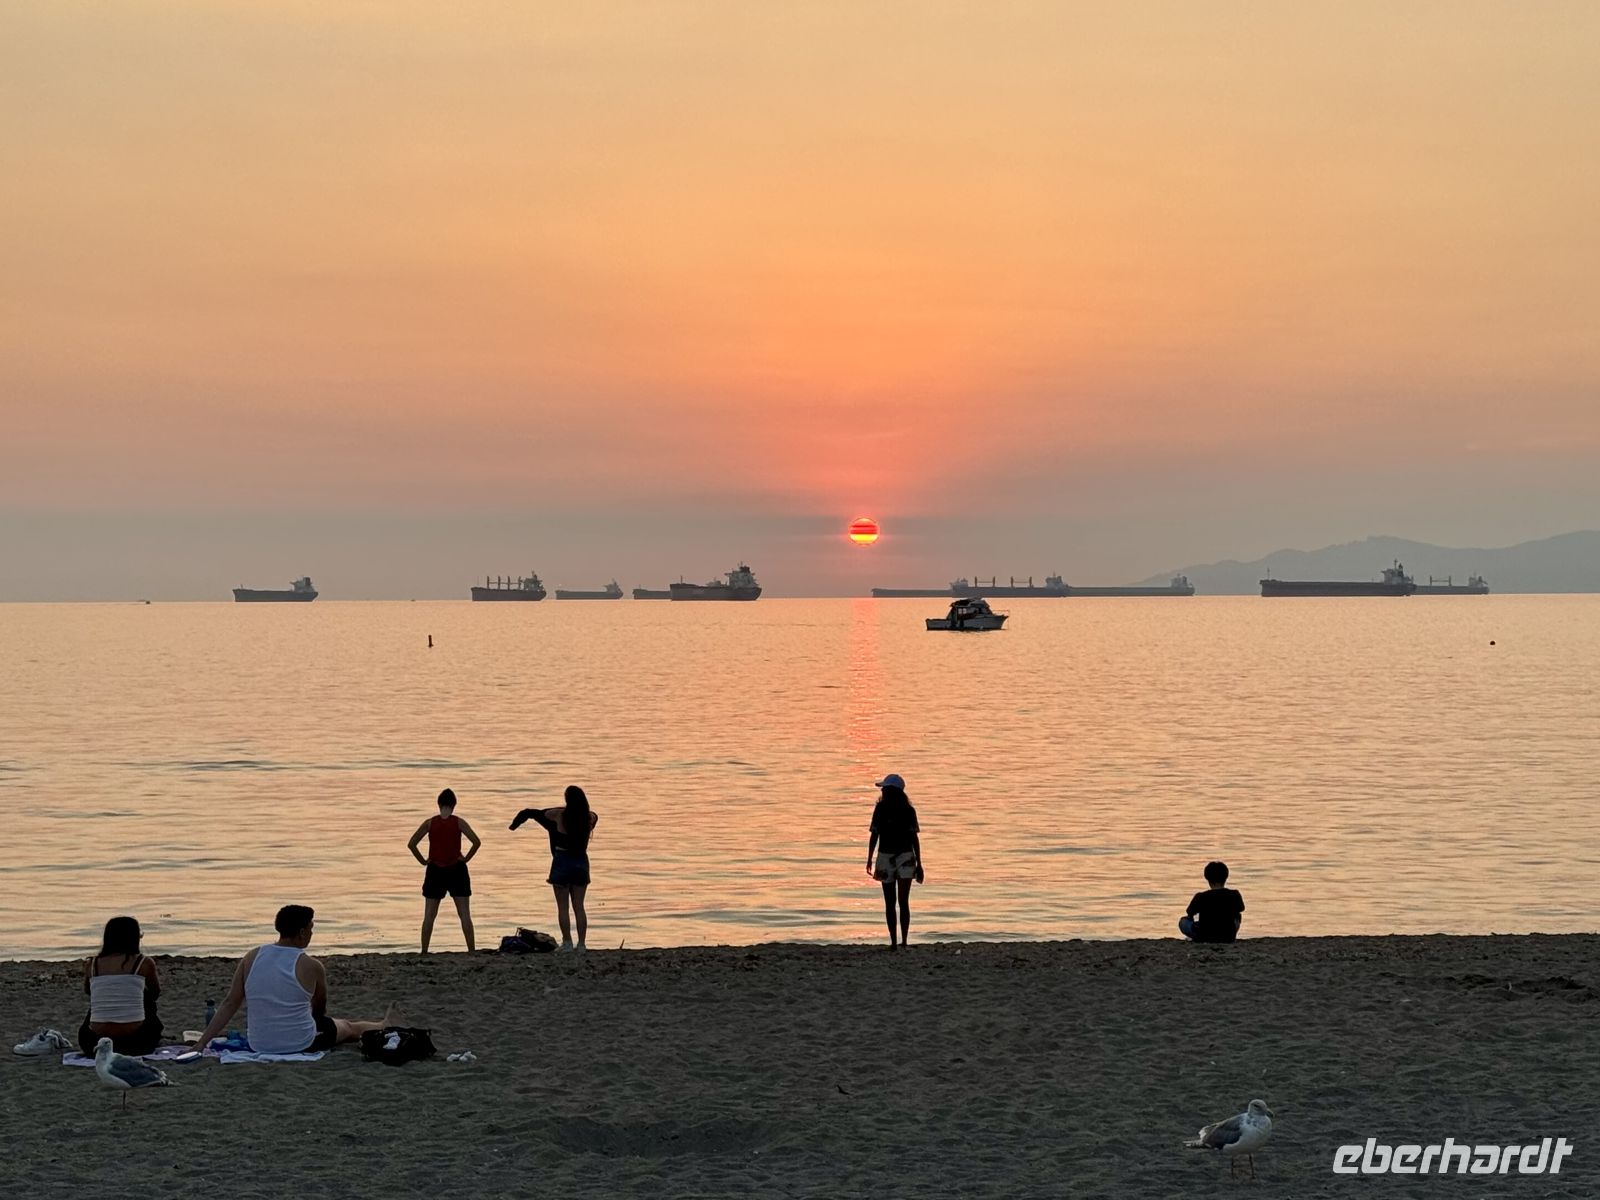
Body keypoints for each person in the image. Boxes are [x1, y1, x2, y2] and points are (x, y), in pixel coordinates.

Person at [188, 905, 389, 1054]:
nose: (312, 933)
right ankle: (383, 1025)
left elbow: (230, 1003)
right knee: (346, 1026)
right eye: (311, 928)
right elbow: (319, 1009)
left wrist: (202, 1043)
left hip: (259, 1043)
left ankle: (381, 1024)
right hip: (300, 1043)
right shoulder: (311, 965)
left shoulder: (252, 956)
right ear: (301, 933)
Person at [511, 786, 598, 951]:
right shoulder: (589, 818)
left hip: (562, 861)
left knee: (563, 907)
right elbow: (594, 816)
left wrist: (514, 825)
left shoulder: (558, 815)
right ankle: (581, 944)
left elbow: (536, 813)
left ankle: (567, 943)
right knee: (579, 906)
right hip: (580, 862)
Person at [407, 787, 481, 953]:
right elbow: (476, 842)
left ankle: (424, 951)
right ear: (454, 804)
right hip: (457, 869)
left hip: (435, 870)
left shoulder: (430, 823)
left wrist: (423, 861)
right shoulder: (459, 822)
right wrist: (466, 858)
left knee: (429, 915)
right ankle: (471, 950)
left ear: (439, 804)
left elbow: (412, 844)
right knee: (464, 914)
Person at [78, 916, 164, 1056]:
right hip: (136, 1043)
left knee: (99, 998)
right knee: (146, 997)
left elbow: (89, 992)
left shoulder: (92, 964)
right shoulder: (144, 963)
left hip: (94, 1044)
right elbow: (155, 993)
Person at [866, 773, 924, 947]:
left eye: (885, 788)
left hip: (887, 856)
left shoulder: (881, 809)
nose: (882, 790)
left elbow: (874, 834)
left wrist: (869, 858)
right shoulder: (908, 810)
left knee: (891, 902)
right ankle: (903, 942)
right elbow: (914, 838)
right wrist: (919, 863)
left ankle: (894, 942)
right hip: (905, 856)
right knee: (902, 902)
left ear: (891, 790)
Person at [1179, 861, 1245, 943]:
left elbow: (1190, 912)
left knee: (1183, 921)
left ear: (1207, 877)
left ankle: (1197, 935)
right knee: (1238, 914)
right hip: (1227, 936)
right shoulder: (1234, 894)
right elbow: (1241, 908)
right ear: (1226, 877)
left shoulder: (1201, 896)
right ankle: (1230, 934)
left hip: (1204, 936)